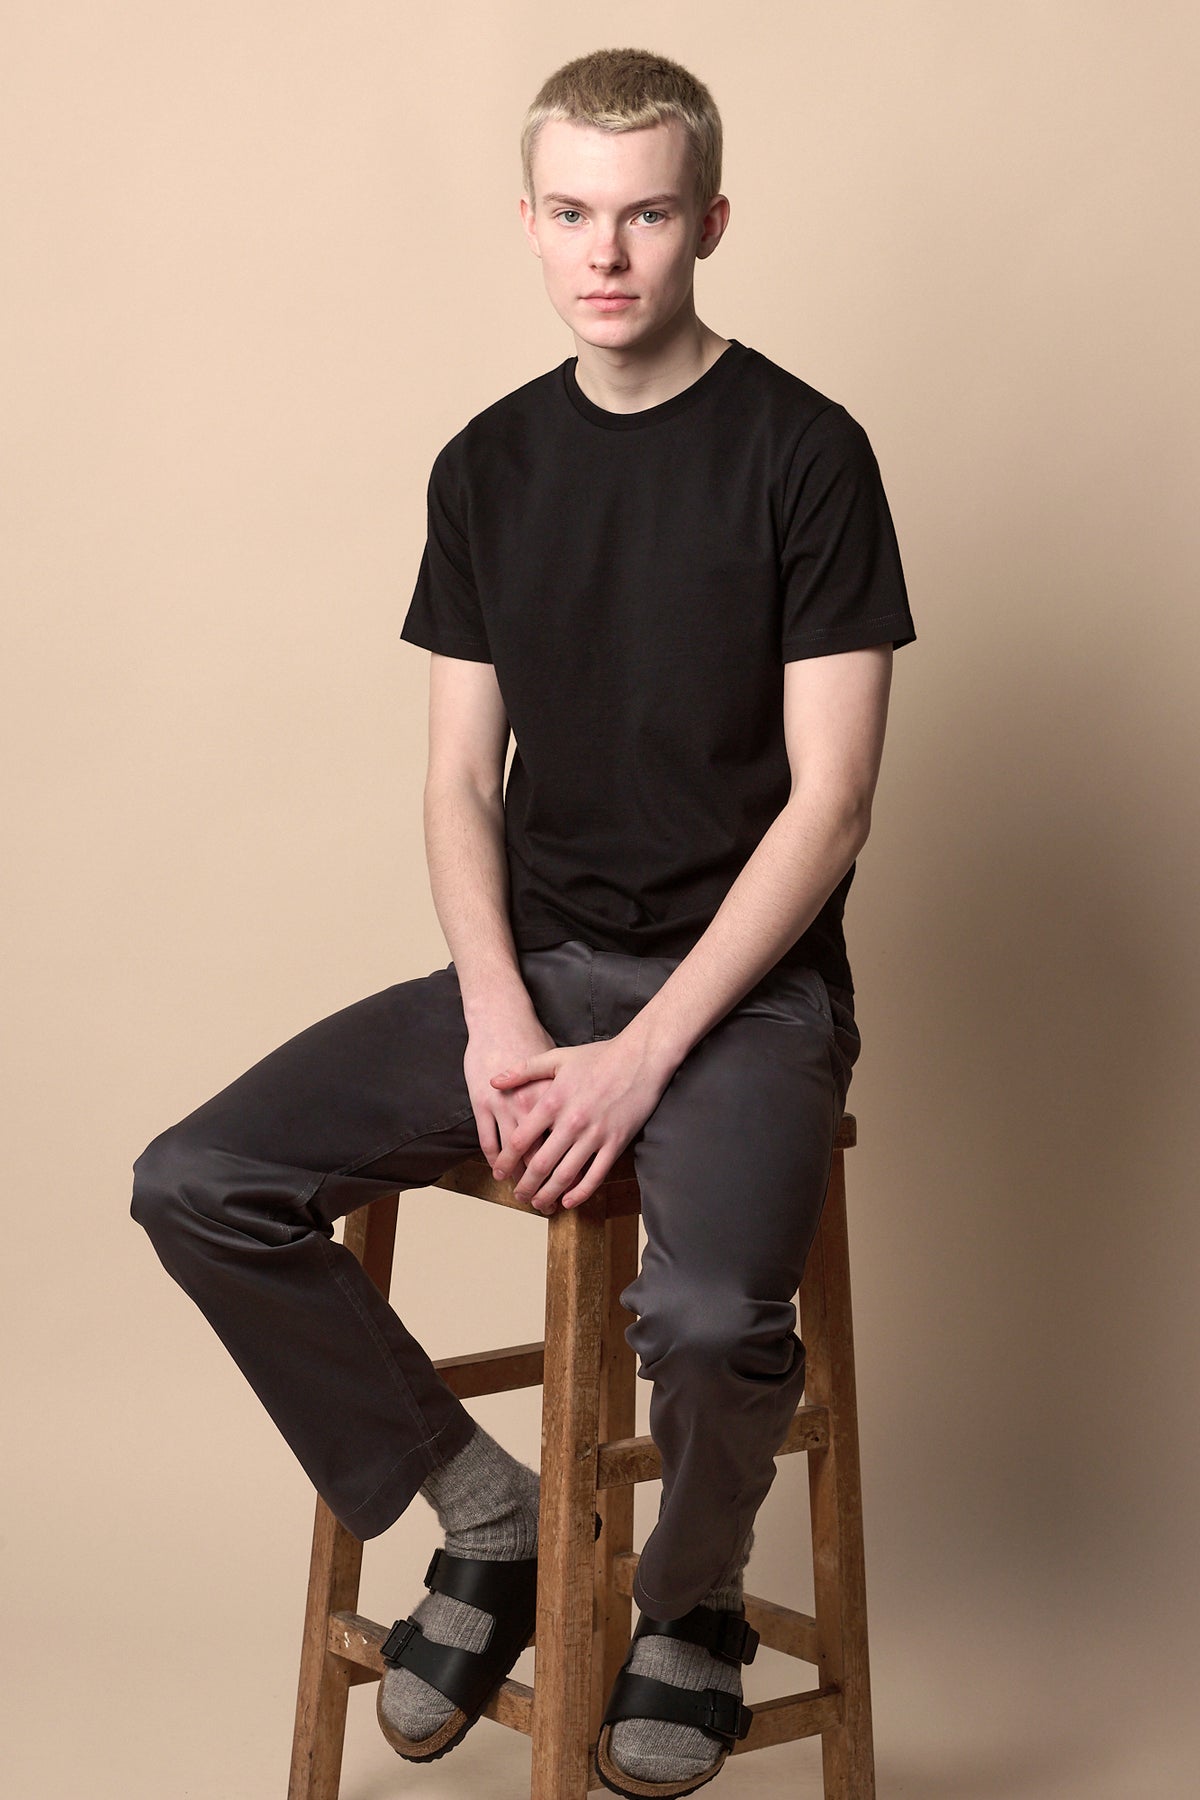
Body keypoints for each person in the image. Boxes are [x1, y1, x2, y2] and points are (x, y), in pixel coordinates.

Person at [130, 43, 915, 1800]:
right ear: (529, 222)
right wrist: (500, 1011)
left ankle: (688, 1607)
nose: (607, 252)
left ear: (709, 218)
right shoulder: (486, 465)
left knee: (710, 1318)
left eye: (645, 213)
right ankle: (478, 1514)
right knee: (197, 1181)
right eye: (572, 213)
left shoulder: (808, 453)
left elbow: (834, 806)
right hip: (540, 964)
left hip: (751, 998)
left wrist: (641, 1057)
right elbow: (457, 783)